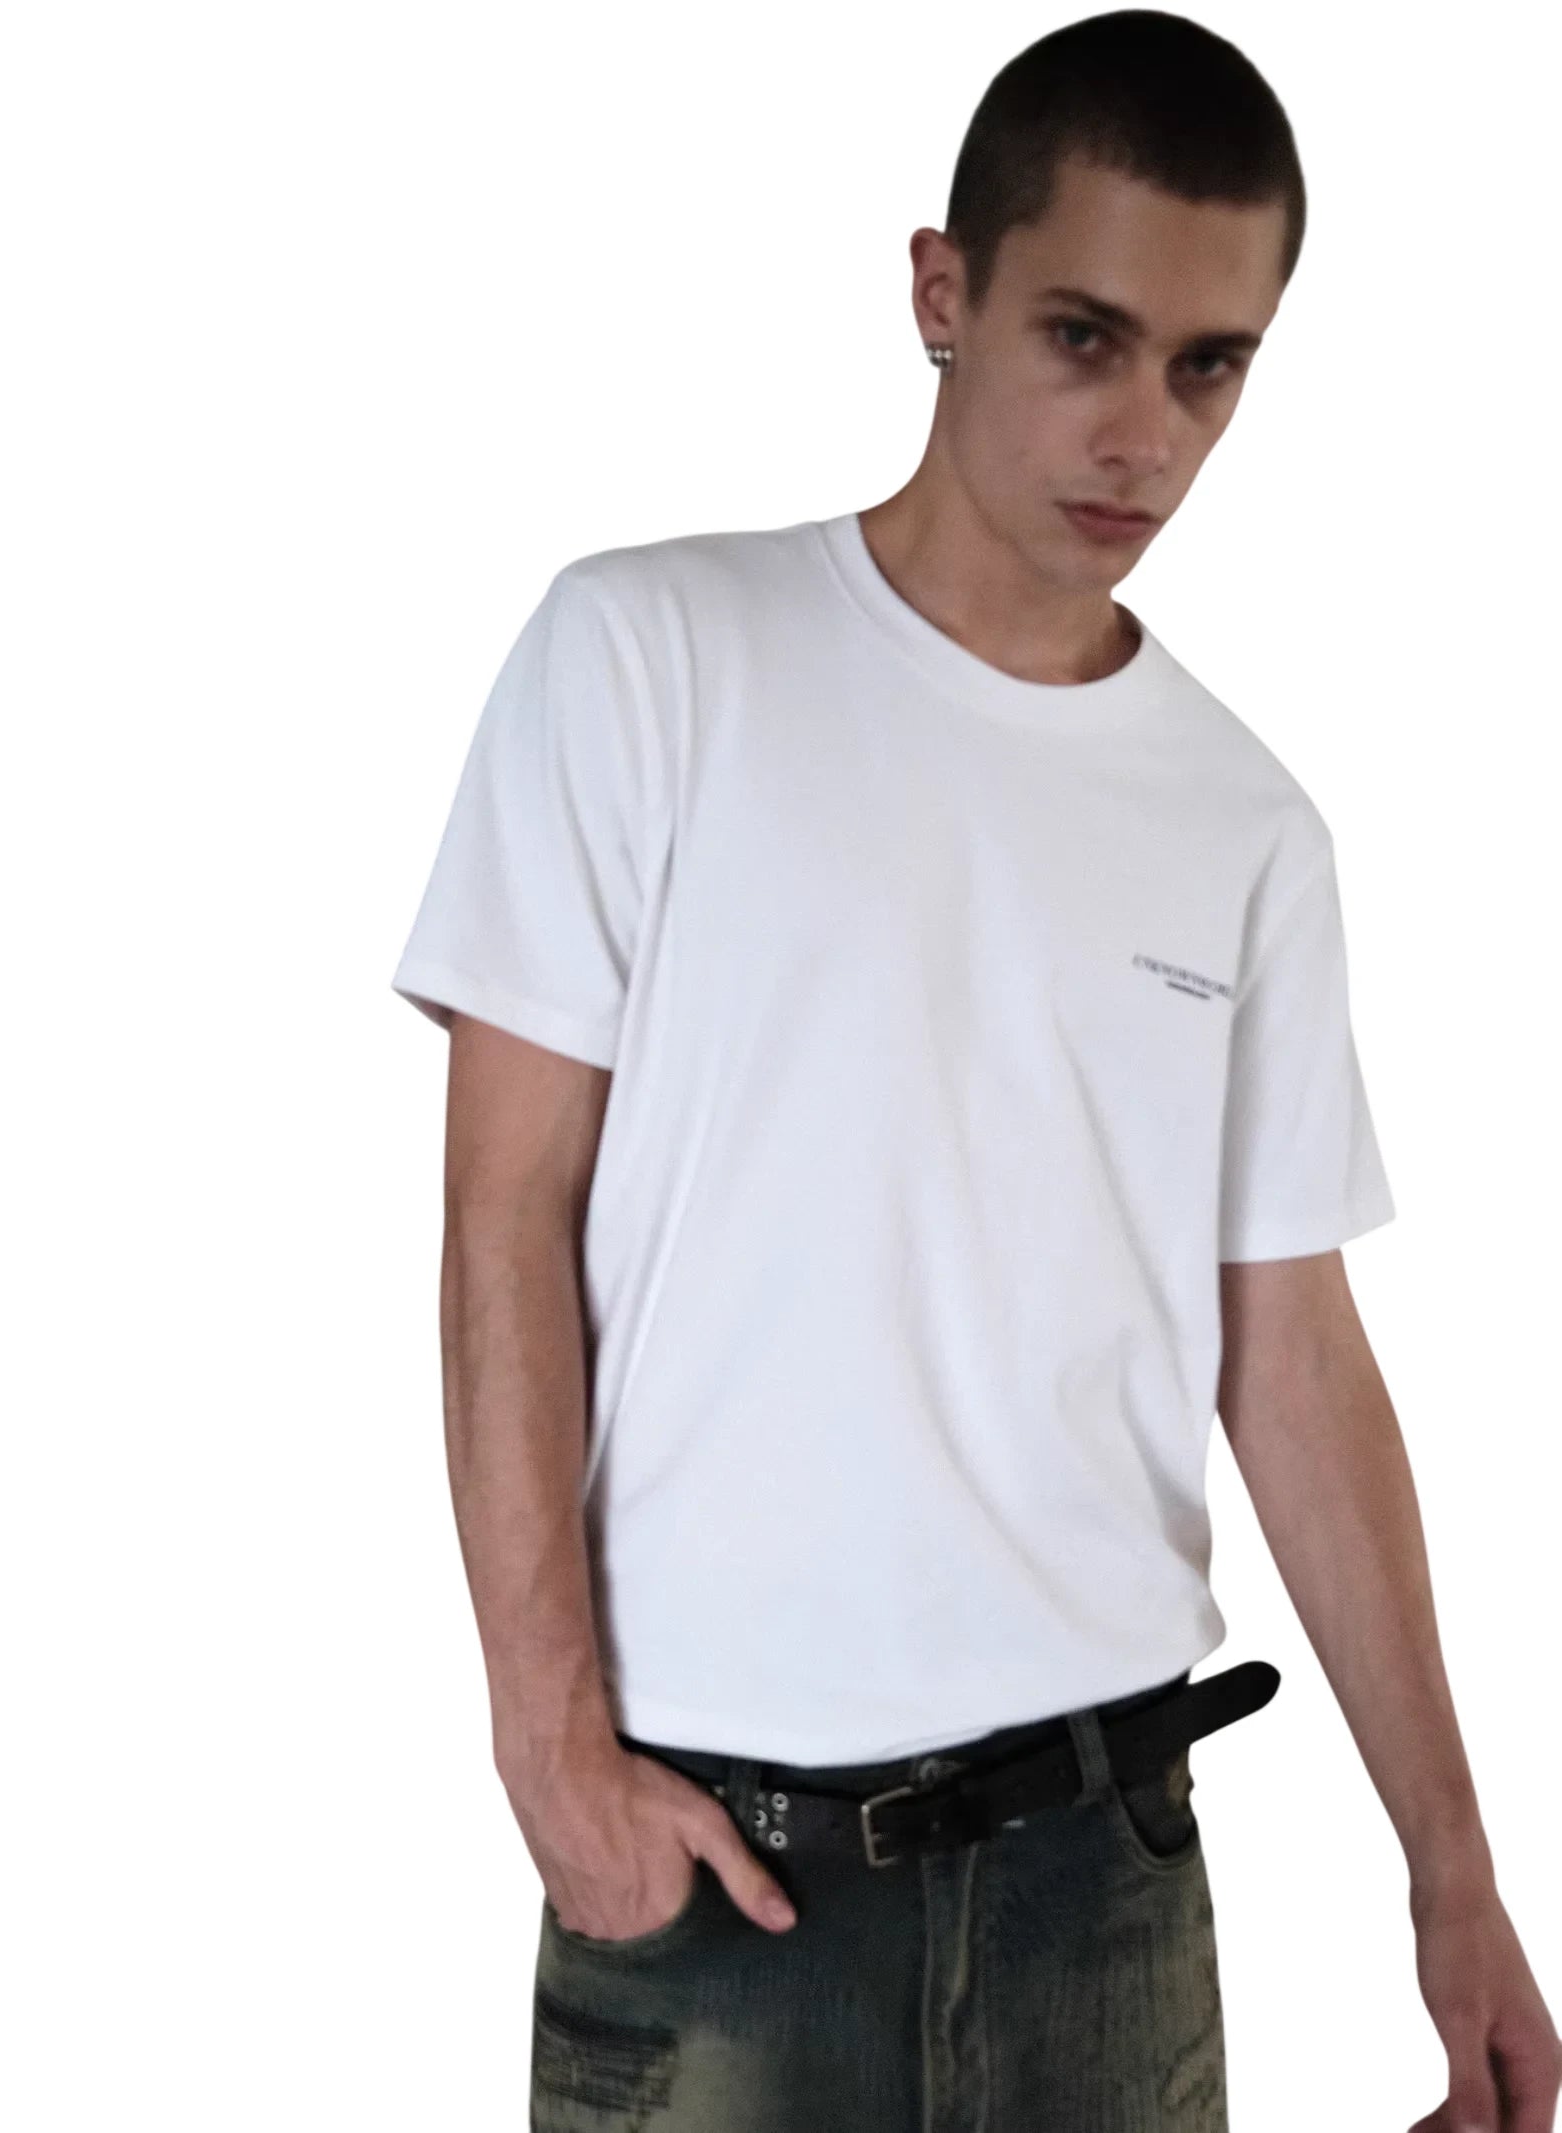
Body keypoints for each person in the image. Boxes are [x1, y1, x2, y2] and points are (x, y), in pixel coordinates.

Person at [390, 11, 1560, 2129]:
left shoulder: (1244, 828)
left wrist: (1453, 1872)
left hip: (1100, 1886)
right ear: (941, 291)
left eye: (1208, 366)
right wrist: (545, 1739)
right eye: (1084, 336)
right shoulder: (649, 657)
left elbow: (1293, 1359)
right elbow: (504, 1211)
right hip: (721, 1872)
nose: (1142, 432)